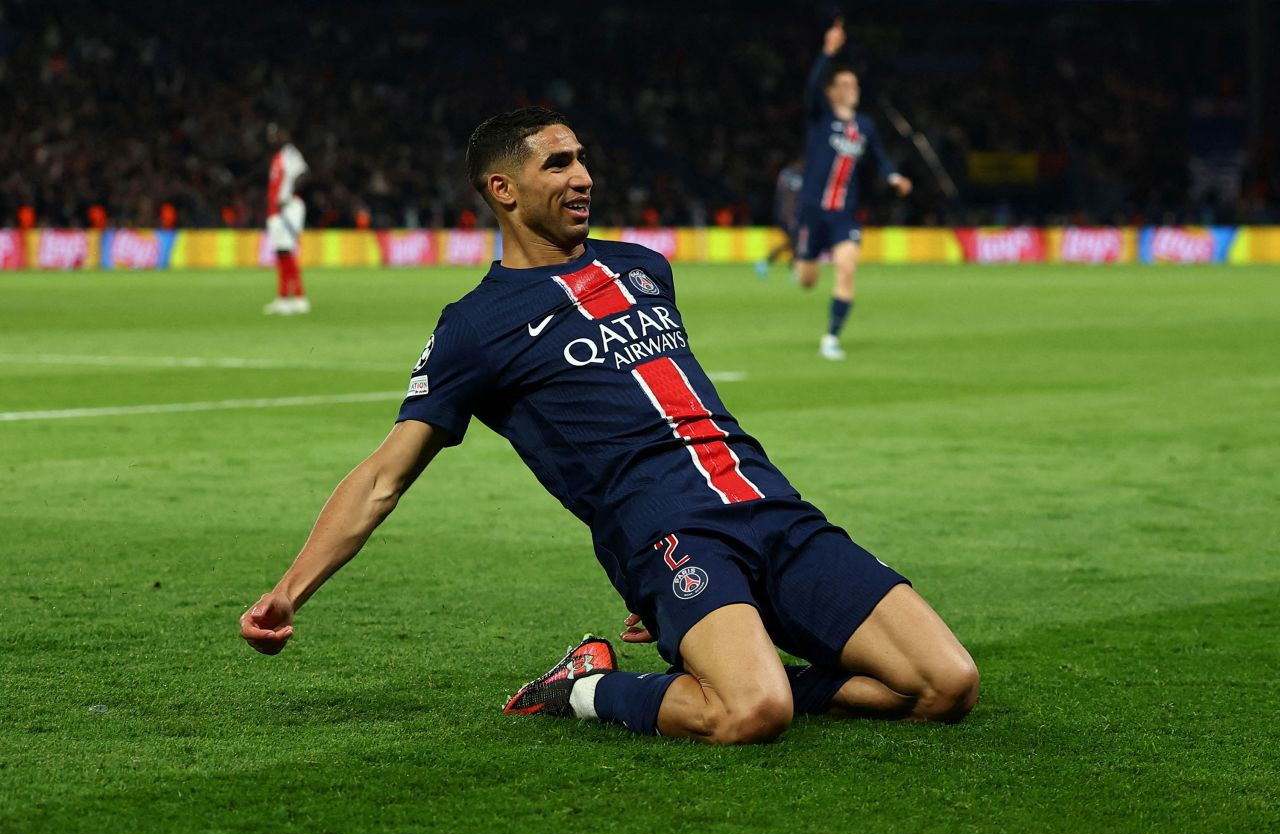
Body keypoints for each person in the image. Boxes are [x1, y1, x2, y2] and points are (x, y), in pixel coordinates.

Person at [240, 107, 978, 744]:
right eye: (557, 164)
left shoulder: (644, 267)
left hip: (771, 505)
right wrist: (289, 591)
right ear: (503, 189)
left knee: (947, 685)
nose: (583, 177)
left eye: (583, 160)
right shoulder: (475, 327)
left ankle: (733, 660)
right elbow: (383, 477)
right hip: (671, 533)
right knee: (753, 713)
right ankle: (585, 687)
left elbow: (655, 400)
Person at [794, 19, 912, 361]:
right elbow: (811, 87)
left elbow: (879, 157)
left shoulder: (865, 126)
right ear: (832, 92)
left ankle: (831, 337)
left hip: (844, 213)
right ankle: (800, 263)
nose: (852, 88)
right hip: (812, 210)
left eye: (854, 83)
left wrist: (894, 176)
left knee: (847, 269)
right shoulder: (819, 118)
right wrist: (827, 53)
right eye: (845, 83)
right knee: (807, 280)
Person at [263, 124, 310, 316]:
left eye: (277, 135)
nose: (273, 139)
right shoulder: (278, 157)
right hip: (275, 211)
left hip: (286, 209)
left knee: (287, 253)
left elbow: (305, 173)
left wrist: (289, 194)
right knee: (281, 254)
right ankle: (283, 299)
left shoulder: (289, 153)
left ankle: (300, 298)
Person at [754, 159, 804, 279]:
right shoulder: (794, 177)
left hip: (783, 213)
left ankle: (766, 263)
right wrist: (789, 216)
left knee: (792, 243)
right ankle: (792, 270)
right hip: (789, 215)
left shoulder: (786, 174)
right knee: (794, 242)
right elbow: (790, 197)